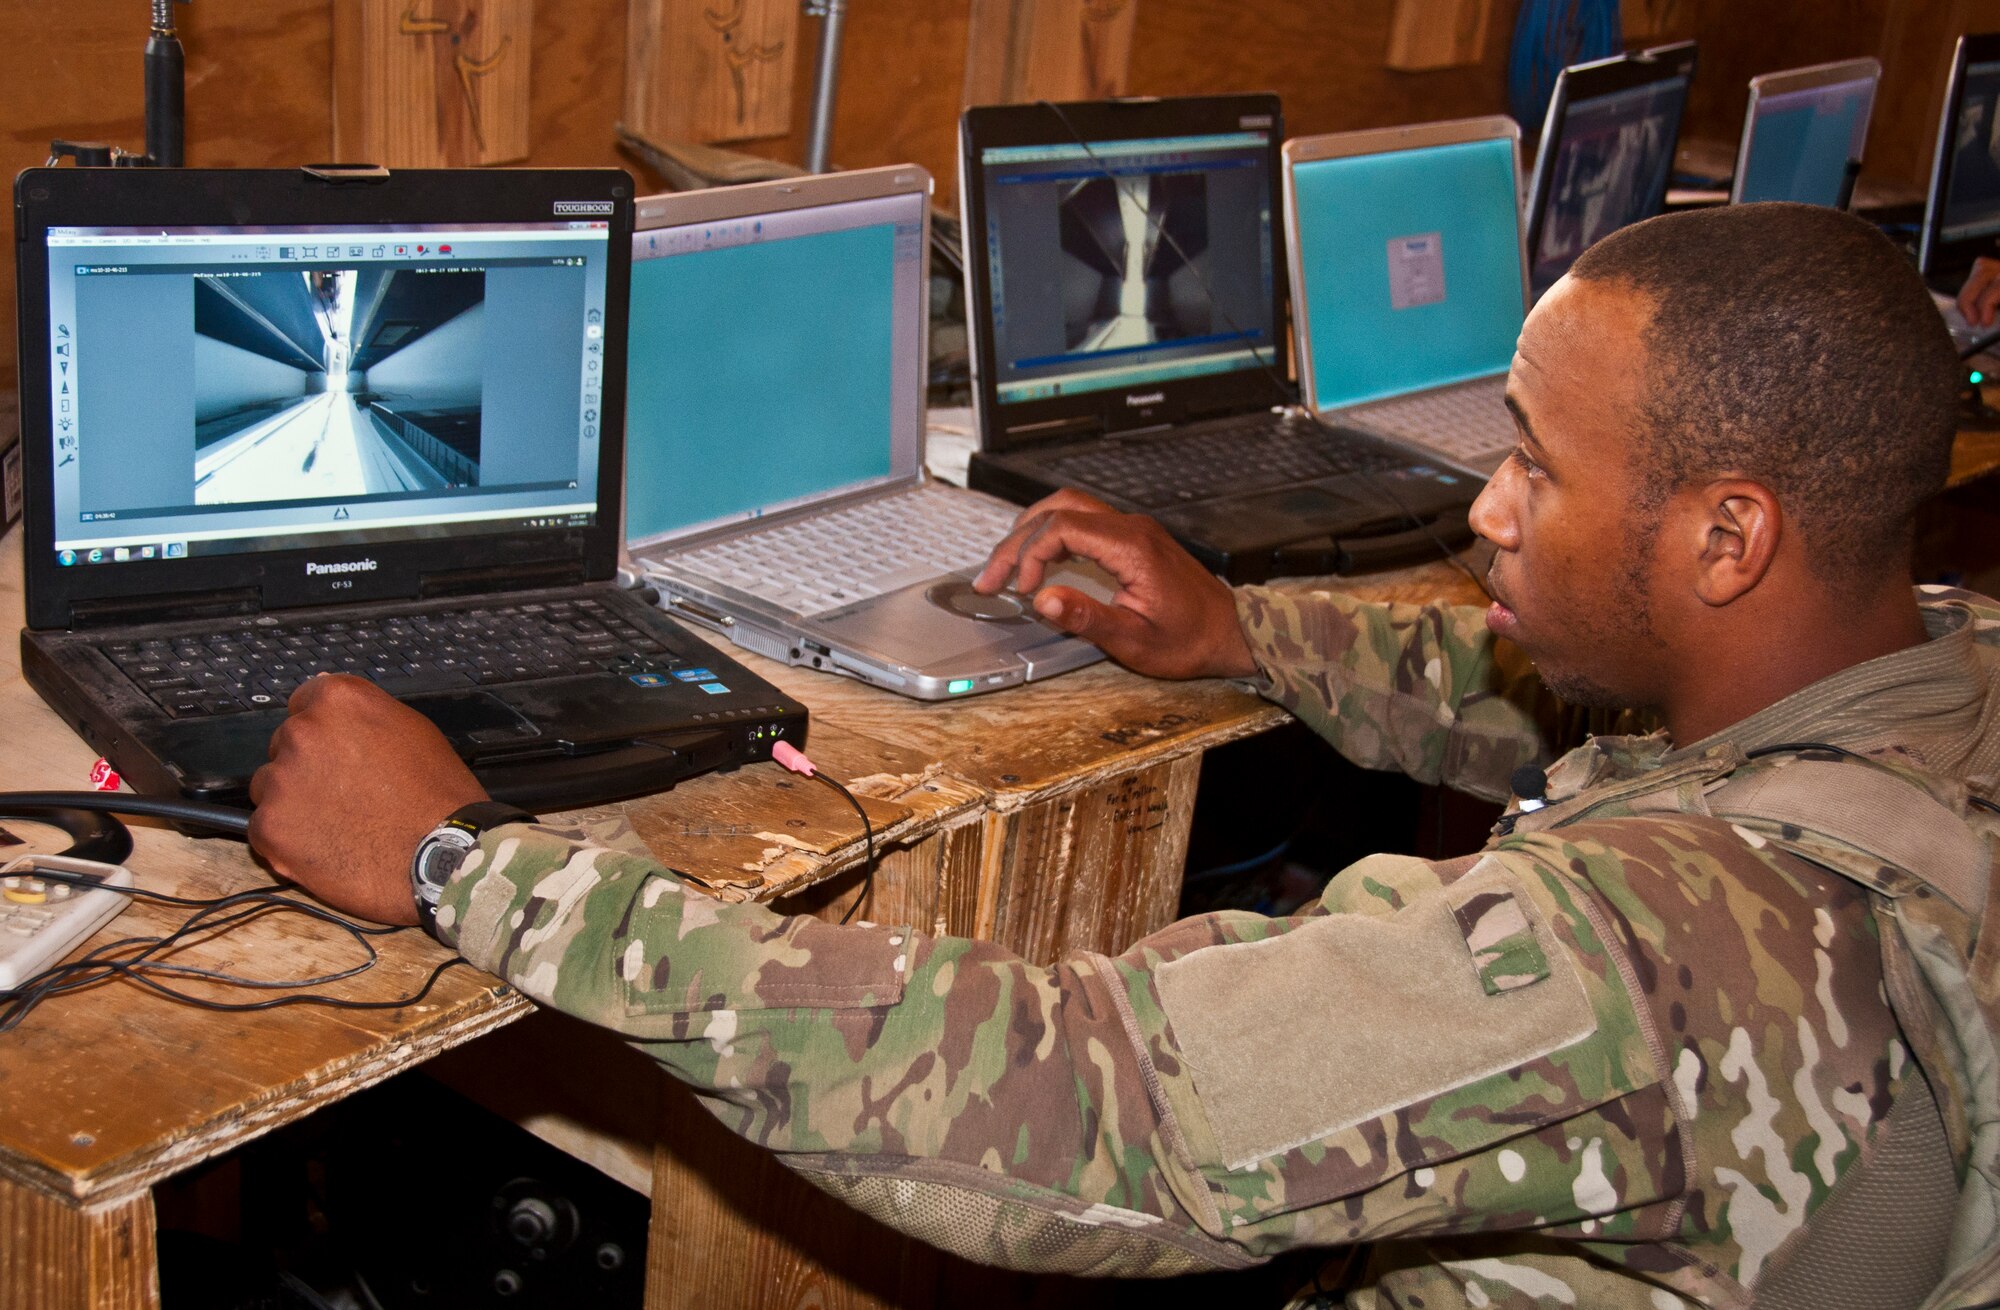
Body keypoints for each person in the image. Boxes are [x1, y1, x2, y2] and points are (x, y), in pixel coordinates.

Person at [248, 203, 2000, 1308]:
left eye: (1538, 463)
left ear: (1728, 537)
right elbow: (1570, 699)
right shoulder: (1936, 667)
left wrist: (461, 860)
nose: (1485, 505)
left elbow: (1087, 1100)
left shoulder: (1643, 948)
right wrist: (1246, 632)